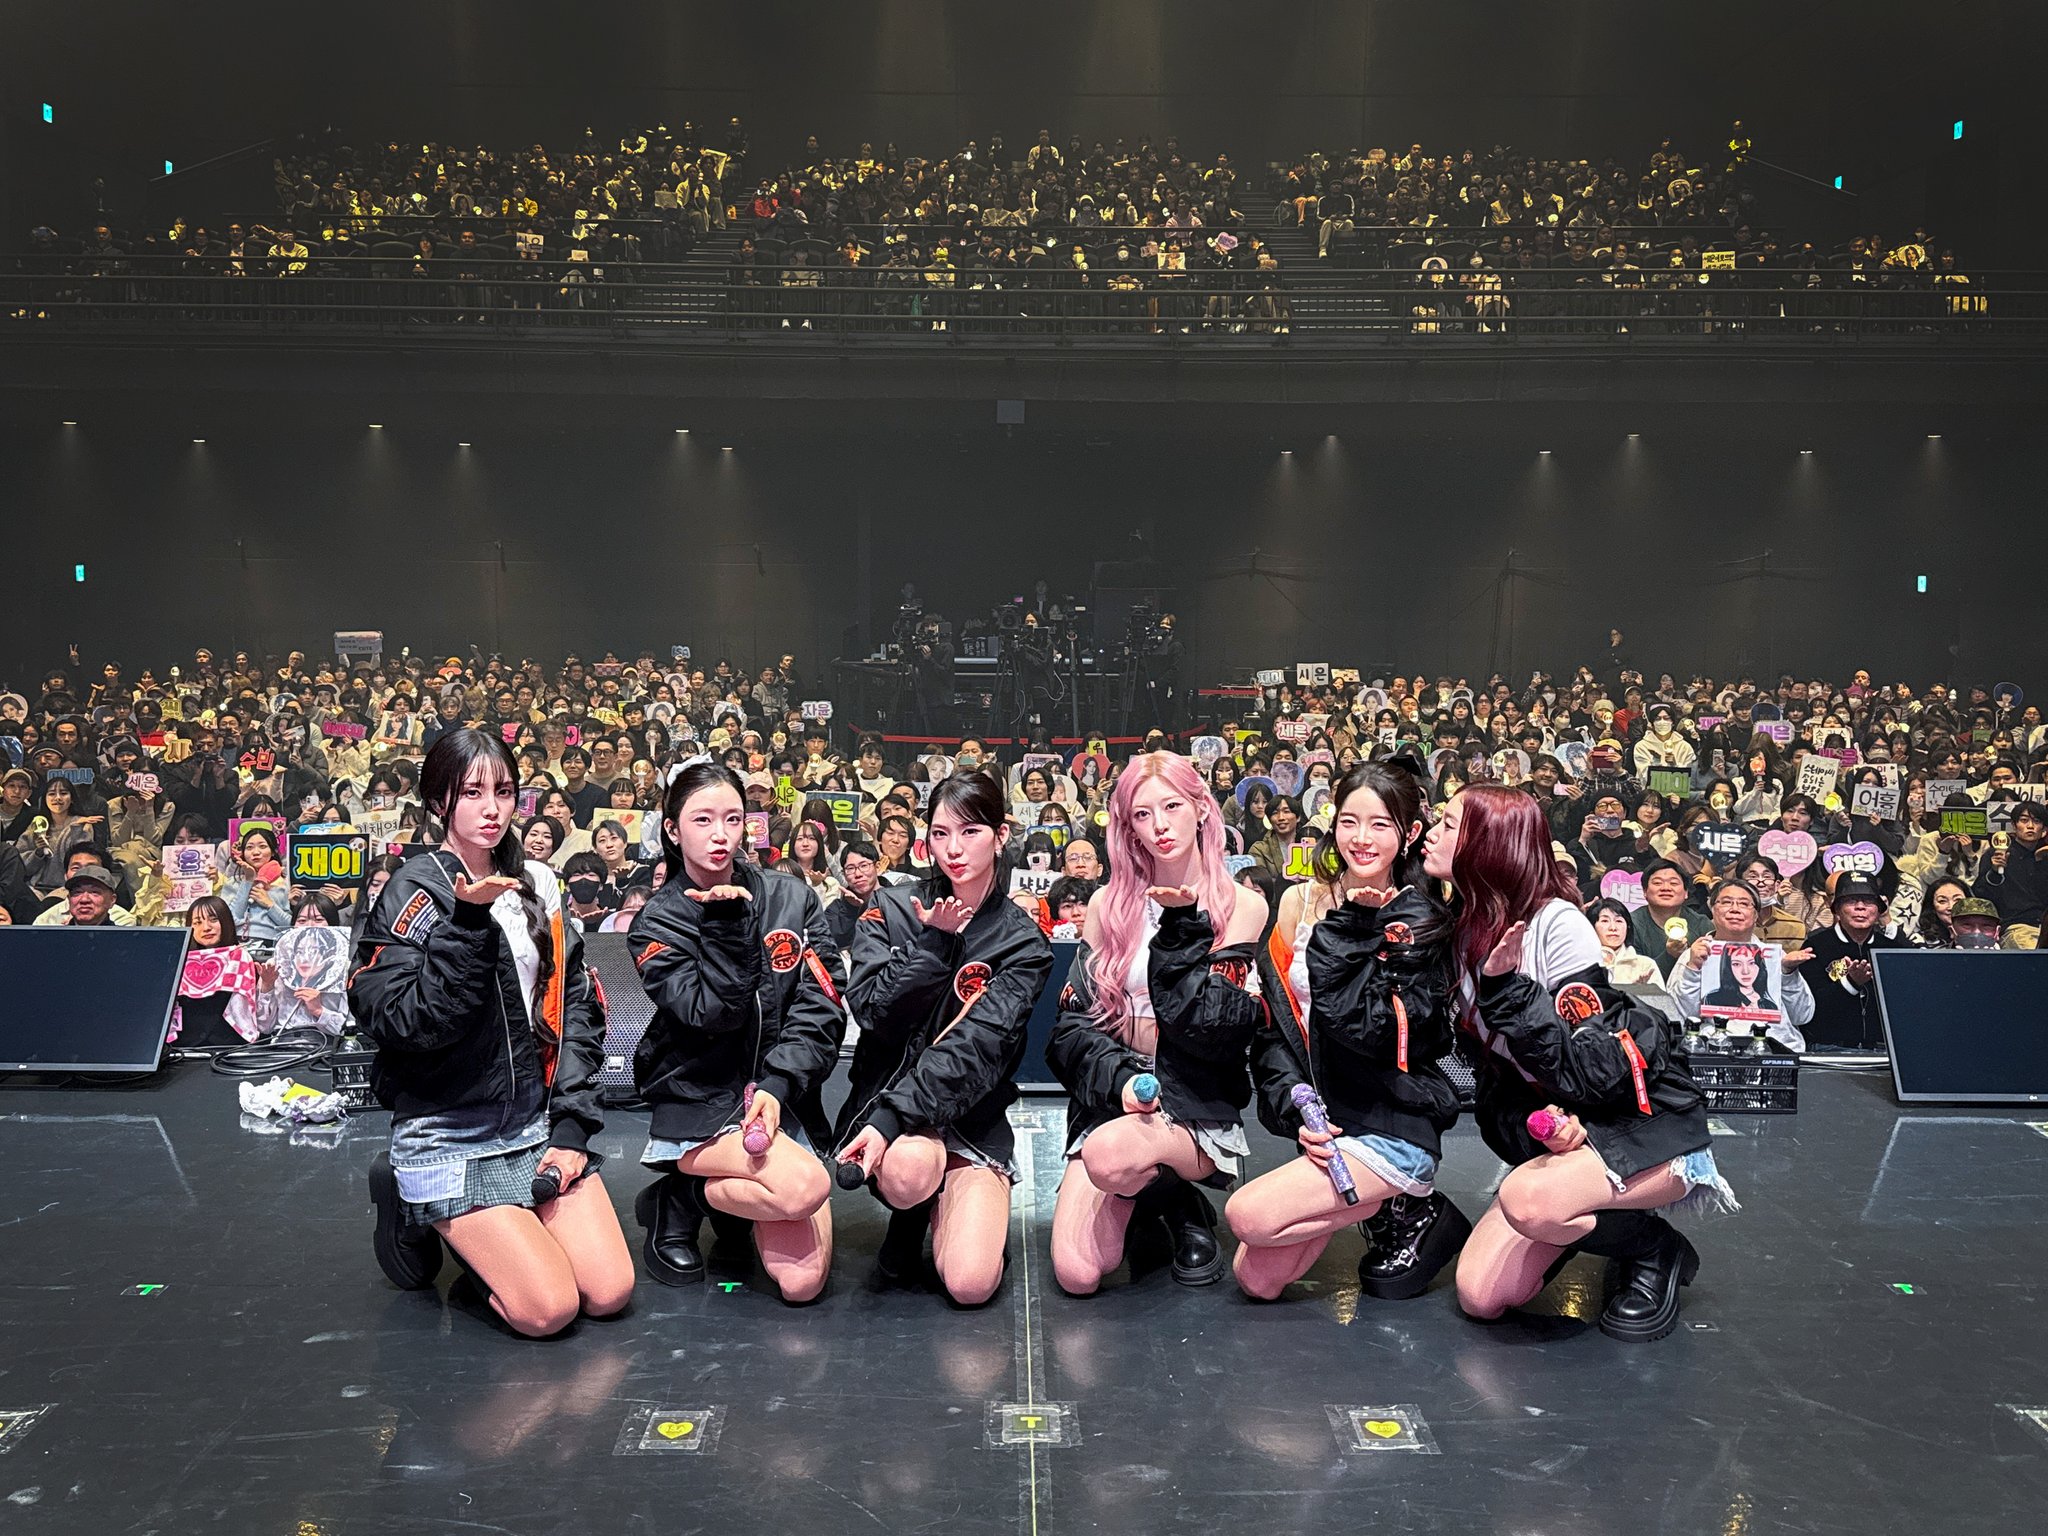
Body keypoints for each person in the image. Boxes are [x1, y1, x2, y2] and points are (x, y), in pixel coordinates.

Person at [348, 729, 632, 1338]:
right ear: (438, 802)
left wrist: (572, 1126)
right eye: (472, 792)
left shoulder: (539, 883)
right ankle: (407, 1197)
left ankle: (500, 1250)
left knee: (609, 1293)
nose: (491, 809)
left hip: (532, 1121)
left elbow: (575, 1010)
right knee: (548, 1311)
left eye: (503, 792)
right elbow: (406, 1021)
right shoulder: (411, 889)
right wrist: (469, 921)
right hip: (447, 1130)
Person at [1426, 785, 1729, 1343]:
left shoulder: (1556, 922)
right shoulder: (1459, 926)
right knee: (1481, 1295)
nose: (1431, 834)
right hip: (1558, 1129)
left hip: (1637, 1122)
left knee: (1530, 1201)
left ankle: (1653, 1248)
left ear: (1487, 843)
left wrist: (1504, 990)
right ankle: (1580, 1211)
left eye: (1448, 825)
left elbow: (1595, 1070)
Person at [1227, 761, 1469, 1302]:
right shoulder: (1298, 901)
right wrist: (1295, 1105)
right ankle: (1394, 1205)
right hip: (1327, 1120)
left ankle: (1409, 1198)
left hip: (1390, 1119)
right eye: (1349, 821)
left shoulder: (1422, 920)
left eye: (1380, 824)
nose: (1361, 839)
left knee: (1248, 1215)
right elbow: (1278, 1027)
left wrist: (1355, 930)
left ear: (1409, 832)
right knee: (1256, 1280)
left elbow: (1374, 1032)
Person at [1046, 752, 1268, 1294]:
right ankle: (1163, 1199)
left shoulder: (1241, 905)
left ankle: (1174, 1194)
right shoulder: (1106, 903)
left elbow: (1213, 1027)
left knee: (1112, 1157)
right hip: (1115, 1090)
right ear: (1128, 827)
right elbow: (1072, 1026)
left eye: (1171, 807)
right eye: (1142, 815)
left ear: (1201, 809)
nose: (1159, 826)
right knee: (1077, 1274)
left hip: (1193, 1090)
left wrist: (1179, 930)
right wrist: (1122, 1081)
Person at [626, 761, 842, 1303]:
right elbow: (710, 1015)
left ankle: (699, 1199)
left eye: (732, 818)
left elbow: (824, 1005)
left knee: (801, 1285)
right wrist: (725, 926)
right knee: (804, 1188)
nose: (720, 834)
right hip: (701, 1095)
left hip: (780, 1094)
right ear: (673, 830)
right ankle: (683, 1197)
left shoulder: (792, 897)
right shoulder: (656, 923)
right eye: (702, 820)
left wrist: (778, 1083)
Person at [838, 773, 1052, 1305]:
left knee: (970, 1284)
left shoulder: (1023, 942)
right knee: (909, 1173)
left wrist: (891, 1119)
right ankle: (914, 1211)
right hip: (895, 1104)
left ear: (1001, 835)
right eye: (940, 833)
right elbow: (872, 1012)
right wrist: (933, 944)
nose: (953, 849)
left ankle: (946, 1210)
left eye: (970, 831)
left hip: (971, 1110)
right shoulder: (892, 907)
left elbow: (978, 1049)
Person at [1666, 880, 1814, 1051]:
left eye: (1744, 904)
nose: (1735, 909)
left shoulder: (1774, 957)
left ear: (1756, 915)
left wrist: (1788, 973)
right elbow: (1680, 1018)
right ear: (1712, 910)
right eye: (1726, 902)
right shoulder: (1694, 954)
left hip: (1777, 1050)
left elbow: (1802, 1016)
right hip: (1716, 1051)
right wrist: (1693, 968)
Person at [1803, 872, 1904, 1050]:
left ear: (1879, 909)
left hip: (1883, 1049)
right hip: (1828, 1049)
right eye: (1851, 901)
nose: (1860, 907)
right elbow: (1808, 1008)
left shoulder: (1892, 949)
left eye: (1868, 901)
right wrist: (1850, 983)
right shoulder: (1816, 945)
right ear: (1837, 908)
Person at [171, 895, 270, 1046]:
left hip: (231, 1047)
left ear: (226, 922)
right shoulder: (179, 962)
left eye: (213, 920)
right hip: (185, 1047)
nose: (206, 927)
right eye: (197, 922)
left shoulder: (242, 960)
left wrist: (267, 986)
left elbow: (257, 1016)